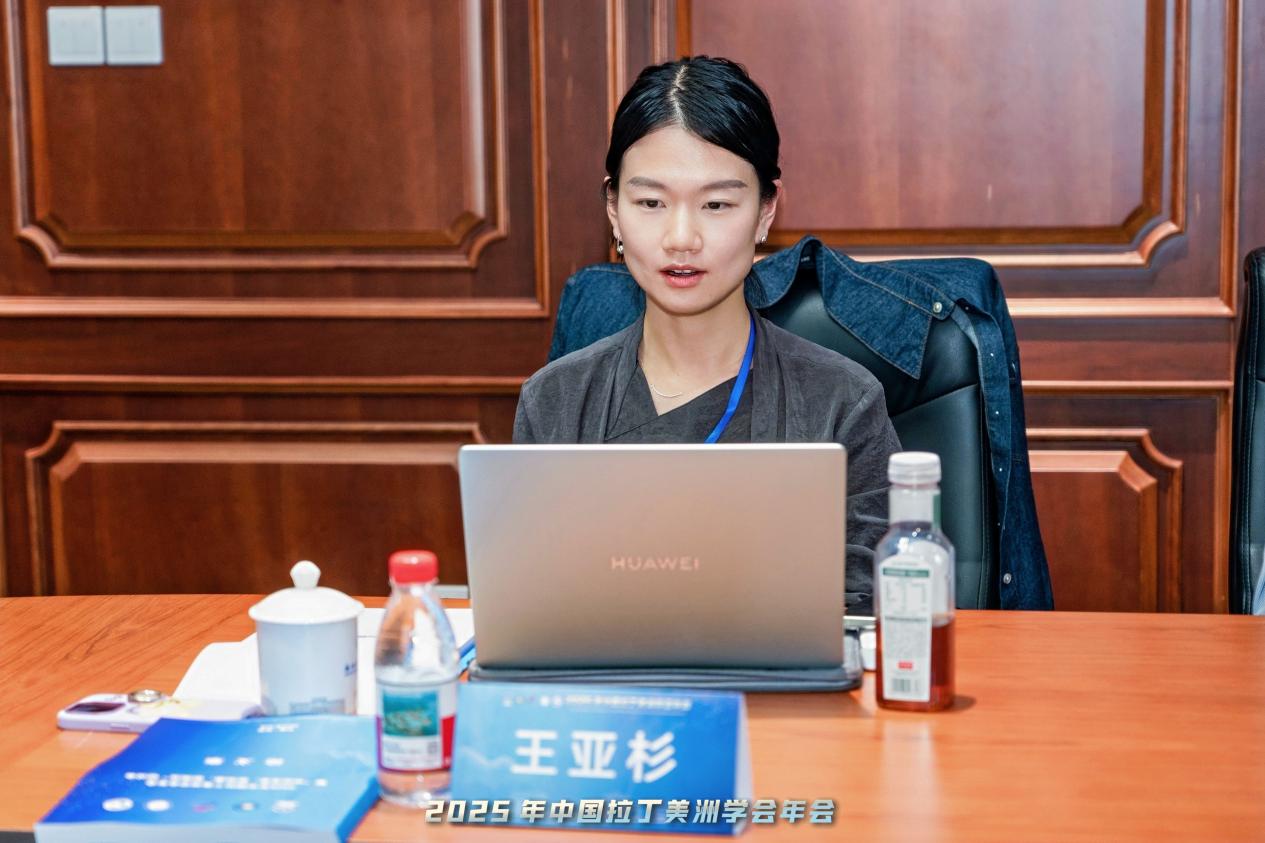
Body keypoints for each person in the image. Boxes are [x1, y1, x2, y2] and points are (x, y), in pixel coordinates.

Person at [513, 56, 901, 613]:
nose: (681, 238)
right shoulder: (555, 401)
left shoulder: (842, 401)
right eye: (650, 203)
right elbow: (532, 606)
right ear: (614, 211)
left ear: (765, 212)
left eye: (716, 204)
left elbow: (869, 612)